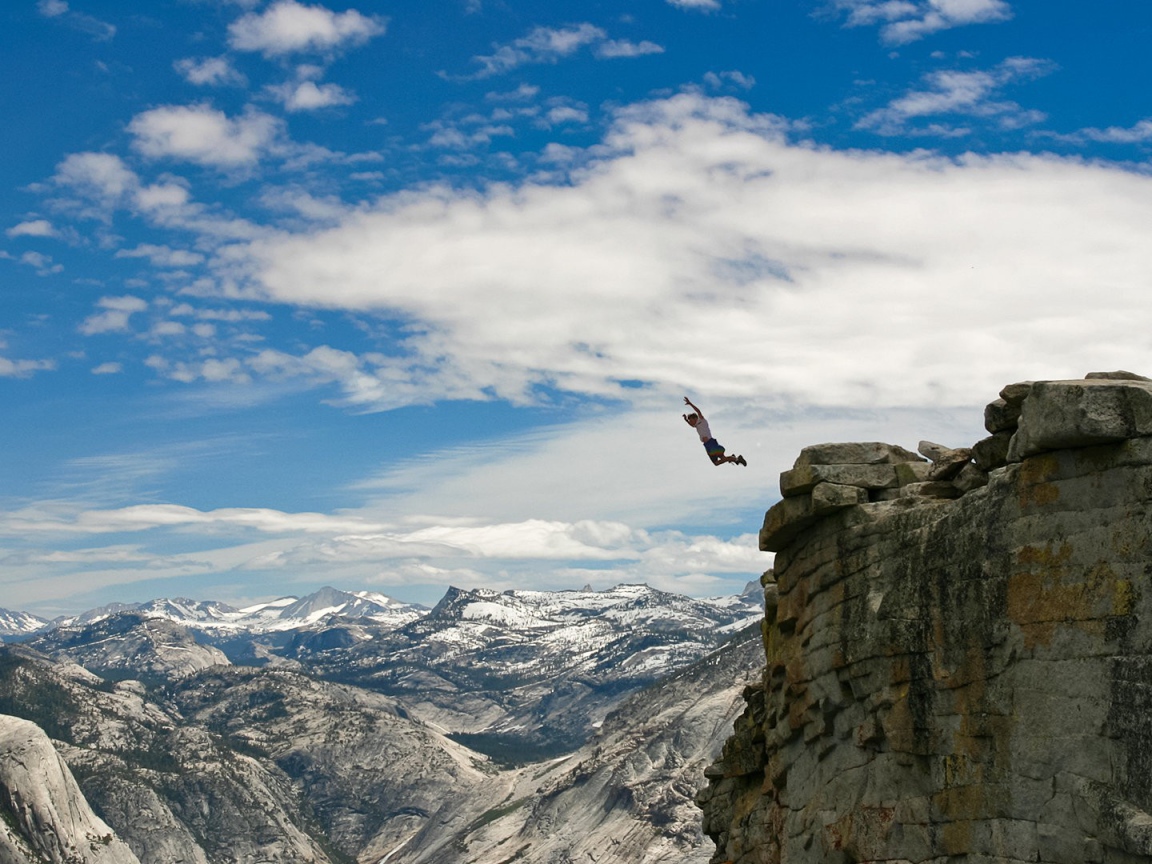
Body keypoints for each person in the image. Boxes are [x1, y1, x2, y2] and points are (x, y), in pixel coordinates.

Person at [683, 397, 746, 467]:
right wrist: (686, 420)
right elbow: (691, 425)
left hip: (711, 443)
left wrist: (690, 403)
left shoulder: (701, 420)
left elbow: (698, 411)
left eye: (691, 420)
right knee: (716, 463)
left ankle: (734, 458)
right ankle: (734, 458)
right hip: (707, 445)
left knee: (721, 459)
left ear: (695, 418)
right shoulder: (696, 425)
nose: (691, 422)